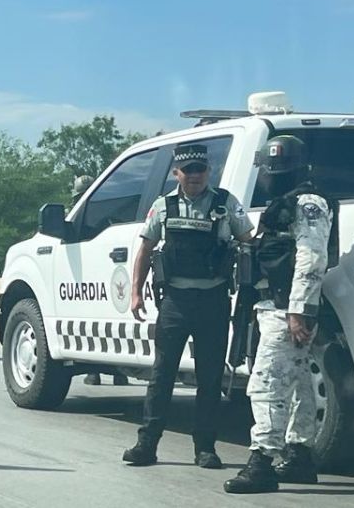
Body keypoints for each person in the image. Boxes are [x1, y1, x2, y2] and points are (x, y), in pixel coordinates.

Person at [123, 144, 254, 469]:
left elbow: (249, 240)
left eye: (200, 169)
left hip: (213, 301)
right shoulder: (163, 206)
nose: (195, 176)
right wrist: (135, 293)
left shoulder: (225, 204)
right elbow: (146, 249)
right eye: (188, 170)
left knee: (210, 379)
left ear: (208, 172)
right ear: (176, 173)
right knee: (162, 375)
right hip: (176, 303)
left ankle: (205, 449)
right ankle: (146, 444)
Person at [224, 135, 336, 494]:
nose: (272, 175)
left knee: (266, 384)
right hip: (275, 305)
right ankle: (299, 454)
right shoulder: (286, 203)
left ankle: (263, 461)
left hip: (286, 307)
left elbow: (311, 258)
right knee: (300, 380)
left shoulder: (307, 204)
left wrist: (298, 310)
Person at [73, 175, 129, 387]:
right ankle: (114, 373)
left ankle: (100, 371)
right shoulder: (110, 217)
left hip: (96, 278)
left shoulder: (86, 220)